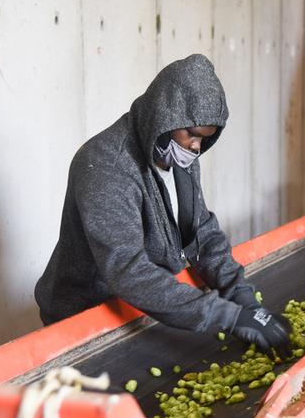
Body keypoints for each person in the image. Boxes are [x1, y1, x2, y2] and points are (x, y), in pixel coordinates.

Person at [35, 54, 291, 356]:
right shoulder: (106, 165)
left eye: (204, 138)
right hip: (85, 319)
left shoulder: (178, 154)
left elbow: (202, 234)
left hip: (138, 307)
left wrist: (242, 297)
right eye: (192, 135)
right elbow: (129, 271)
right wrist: (230, 318)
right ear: (165, 118)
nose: (196, 147)